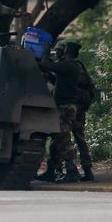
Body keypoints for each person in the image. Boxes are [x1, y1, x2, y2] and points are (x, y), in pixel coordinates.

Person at [35, 41, 82, 183]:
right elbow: (56, 80)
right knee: (57, 141)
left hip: (65, 107)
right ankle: (51, 170)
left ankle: (72, 171)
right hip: (65, 106)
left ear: (68, 51)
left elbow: (45, 65)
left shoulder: (69, 65)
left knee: (64, 140)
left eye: (63, 49)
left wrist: (46, 50)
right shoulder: (70, 66)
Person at [70, 41, 96, 182]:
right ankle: (85, 169)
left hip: (75, 107)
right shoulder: (79, 66)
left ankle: (76, 170)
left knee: (68, 139)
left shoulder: (74, 67)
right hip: (78, 107)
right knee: (79, 139)